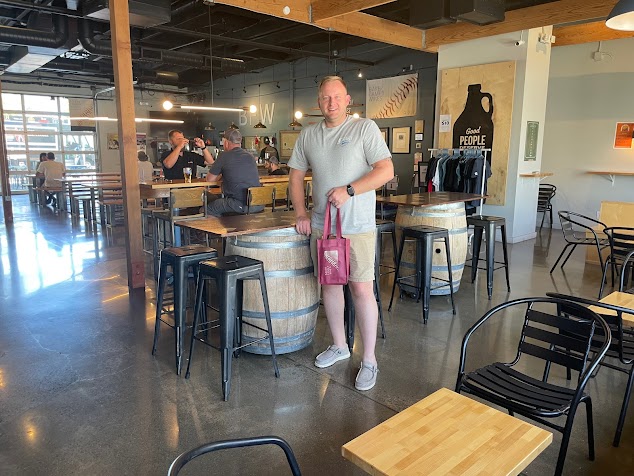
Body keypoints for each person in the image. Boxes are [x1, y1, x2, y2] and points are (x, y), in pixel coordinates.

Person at [288, 76, 394, 391]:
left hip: (357, 227)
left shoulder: (364, 129)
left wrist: (350, 190)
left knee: (361, 289)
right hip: (324, 228)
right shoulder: (309, 135)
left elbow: (386, 170)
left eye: (337, 97)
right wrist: (301, 213)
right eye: (325, 97)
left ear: (348, 100)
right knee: (331, 286)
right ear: (318, 102)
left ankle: (370, 359)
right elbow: (295, 176)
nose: (331, 103)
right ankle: (339, 345)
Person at [205, 129, 263, 216]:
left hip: (240, 204)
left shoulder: (224, 156)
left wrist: (221, 174)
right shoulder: (250, 156)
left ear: (226, 143)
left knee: (206, 210)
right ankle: (229, 222)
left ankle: (225, 224)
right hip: (258, 203)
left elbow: (209, 179)